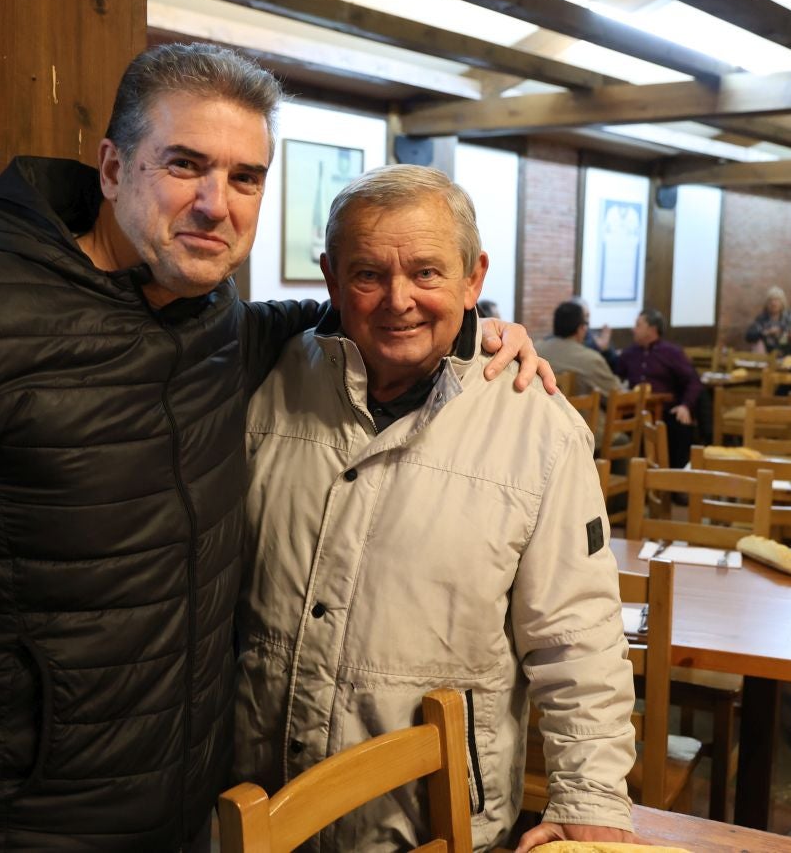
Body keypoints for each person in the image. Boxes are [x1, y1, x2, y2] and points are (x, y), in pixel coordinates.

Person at [0, 42, 547, 852]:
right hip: (7, 825)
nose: (215, 203)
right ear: (111, 167)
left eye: (244, 178)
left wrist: (474, 331)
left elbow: (341, 315)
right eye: (184, 164)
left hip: (182, 813)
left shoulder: (213, 322)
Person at [234, 165, 638, 852]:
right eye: (368, 275)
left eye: (427, 273)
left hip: (435, 825)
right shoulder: (268, 386)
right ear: (330, 278)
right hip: (258, 808)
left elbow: (577, 636)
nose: (399, 301)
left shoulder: (535, 426)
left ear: (473, 278)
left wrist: (591, 797)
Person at [615, 308, 702, 468]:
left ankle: (676, 483)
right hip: (634, 410)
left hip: (666, 410)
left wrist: (685, 406)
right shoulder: (629, 353)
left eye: (638, 325)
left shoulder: (672, 353)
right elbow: (614, 377)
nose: (633, 329)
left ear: (652, 329)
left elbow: (693, 381)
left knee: (680, 425)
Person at [540, 300, 626, 399]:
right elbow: (616, 391)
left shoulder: (535, 350)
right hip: (579, 413)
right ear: (581, 328)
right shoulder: (591, 359)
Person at [745, 285, 791, 361]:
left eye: (777, 300)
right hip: (767, 355)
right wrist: (766, 332)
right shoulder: (762, 318)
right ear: (767, 303)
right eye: (770, 300)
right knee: (757, 344)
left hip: (789, 353)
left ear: (782, 302)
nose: (773, 303)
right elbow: (748, 336)